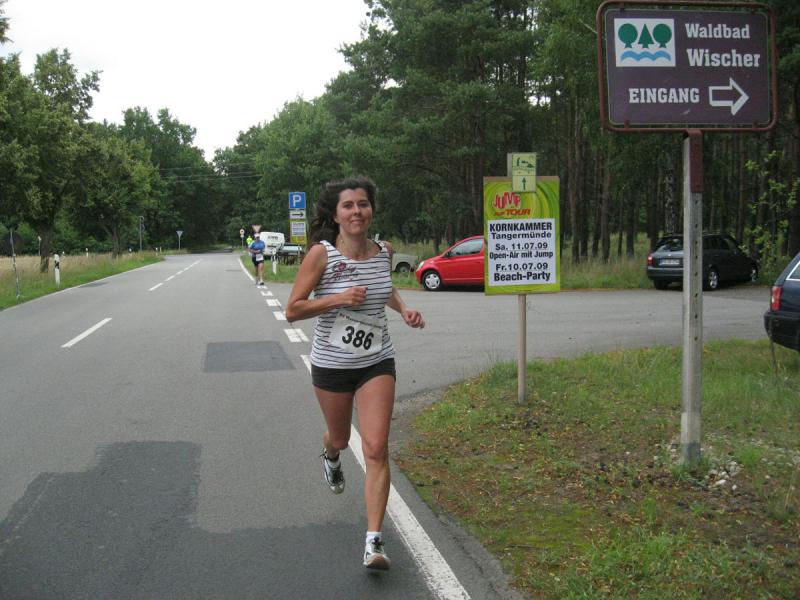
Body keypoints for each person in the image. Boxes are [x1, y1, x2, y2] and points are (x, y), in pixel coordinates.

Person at [285, 177, 424, 571]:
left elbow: (385, 288)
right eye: (348, 205)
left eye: (363, 204)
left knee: (376, 447)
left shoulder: (383, 252)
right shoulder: (322, 255)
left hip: (377, 360)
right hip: (332, 364)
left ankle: (374, 541)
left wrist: (404, 308)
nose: (357, 211)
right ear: (335, 214)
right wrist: (338, 299)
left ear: (371, 209)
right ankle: (331, 454)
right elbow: (293, 309)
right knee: (342, 438)